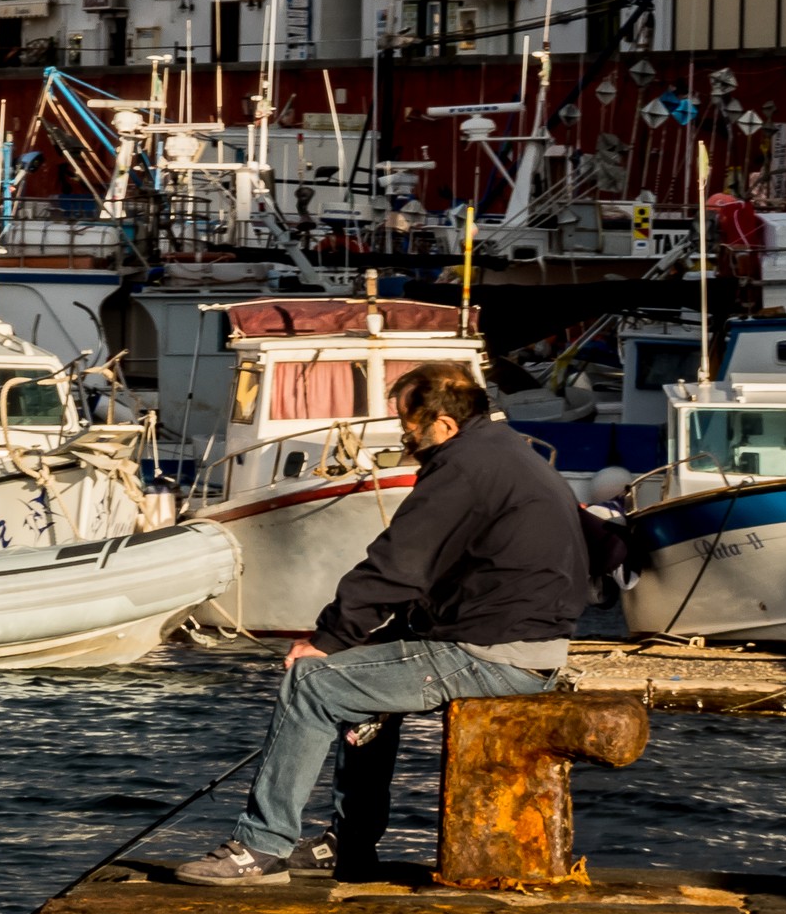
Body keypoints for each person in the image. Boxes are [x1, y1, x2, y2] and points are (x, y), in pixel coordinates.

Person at [177, 361, 589, 886]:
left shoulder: (463, 468)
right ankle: (349, 845)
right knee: (357, 681)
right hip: (518, 642)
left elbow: (397, 565)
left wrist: (327, 639)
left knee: (312, 682)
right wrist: (356, 638)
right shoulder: (505, 452)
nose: (403, 434)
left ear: (443, 424)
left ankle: (261, 846)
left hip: (497, 656)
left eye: (408, 424)